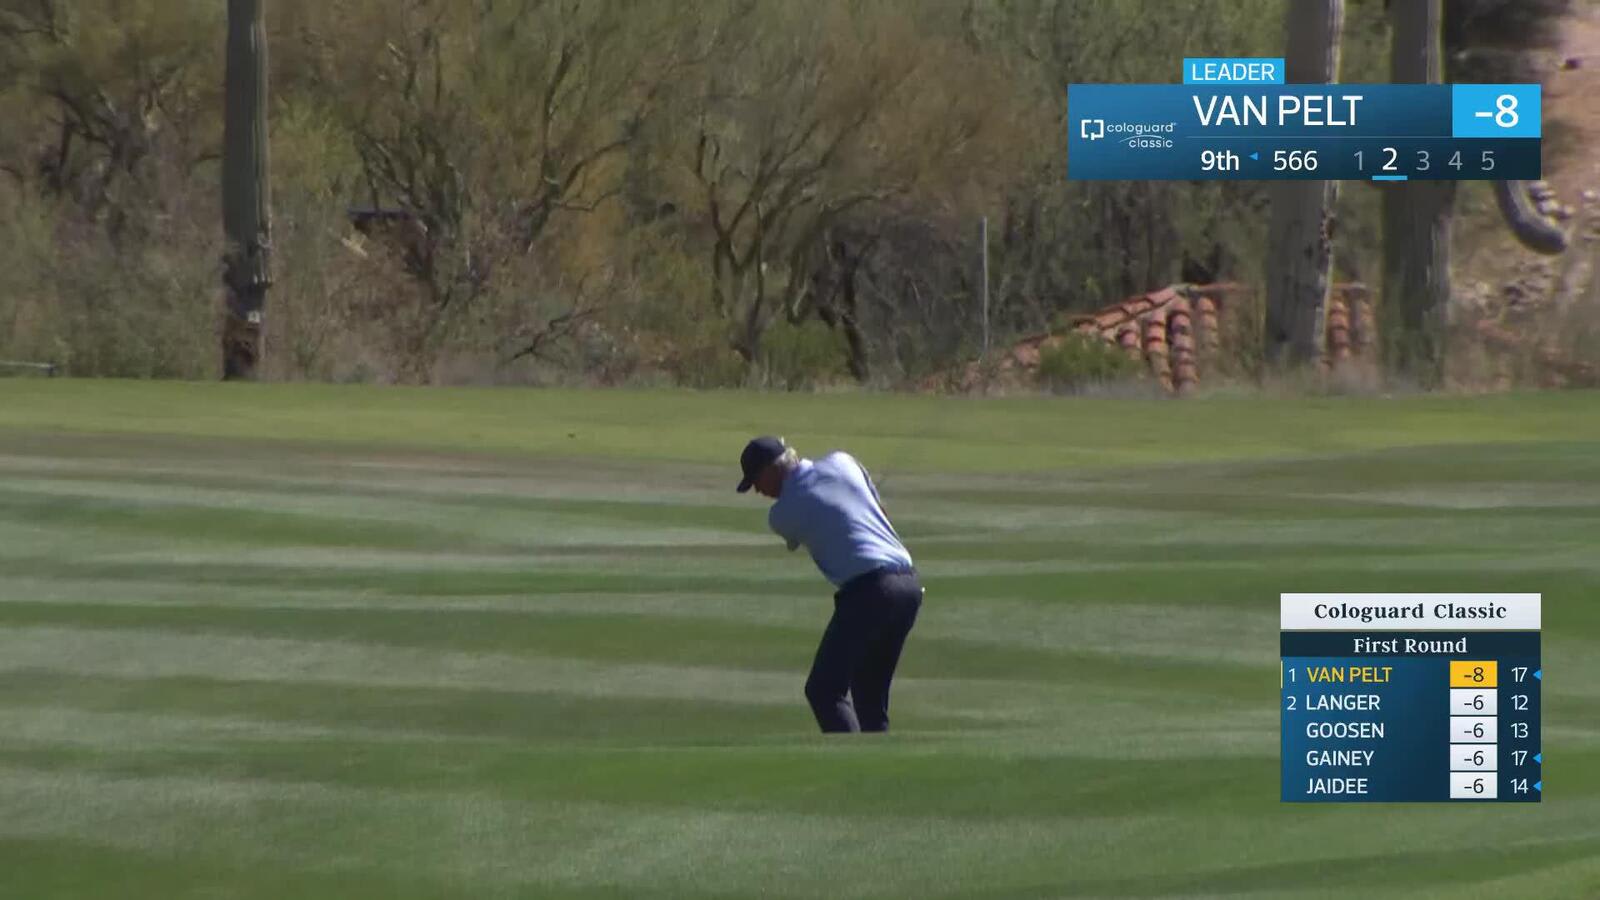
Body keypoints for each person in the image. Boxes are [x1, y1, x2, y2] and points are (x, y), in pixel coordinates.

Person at [735, 435, 923, 733]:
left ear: (772, 470)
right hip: (909, 588)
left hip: (869, 591)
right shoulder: (842, 461)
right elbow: (880, 508)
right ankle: (878, 767)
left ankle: (850, 766)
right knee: (870, 697)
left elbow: (797, 537)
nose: (758, 491)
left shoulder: (781, 515)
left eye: (756, 481)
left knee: (824, 690)